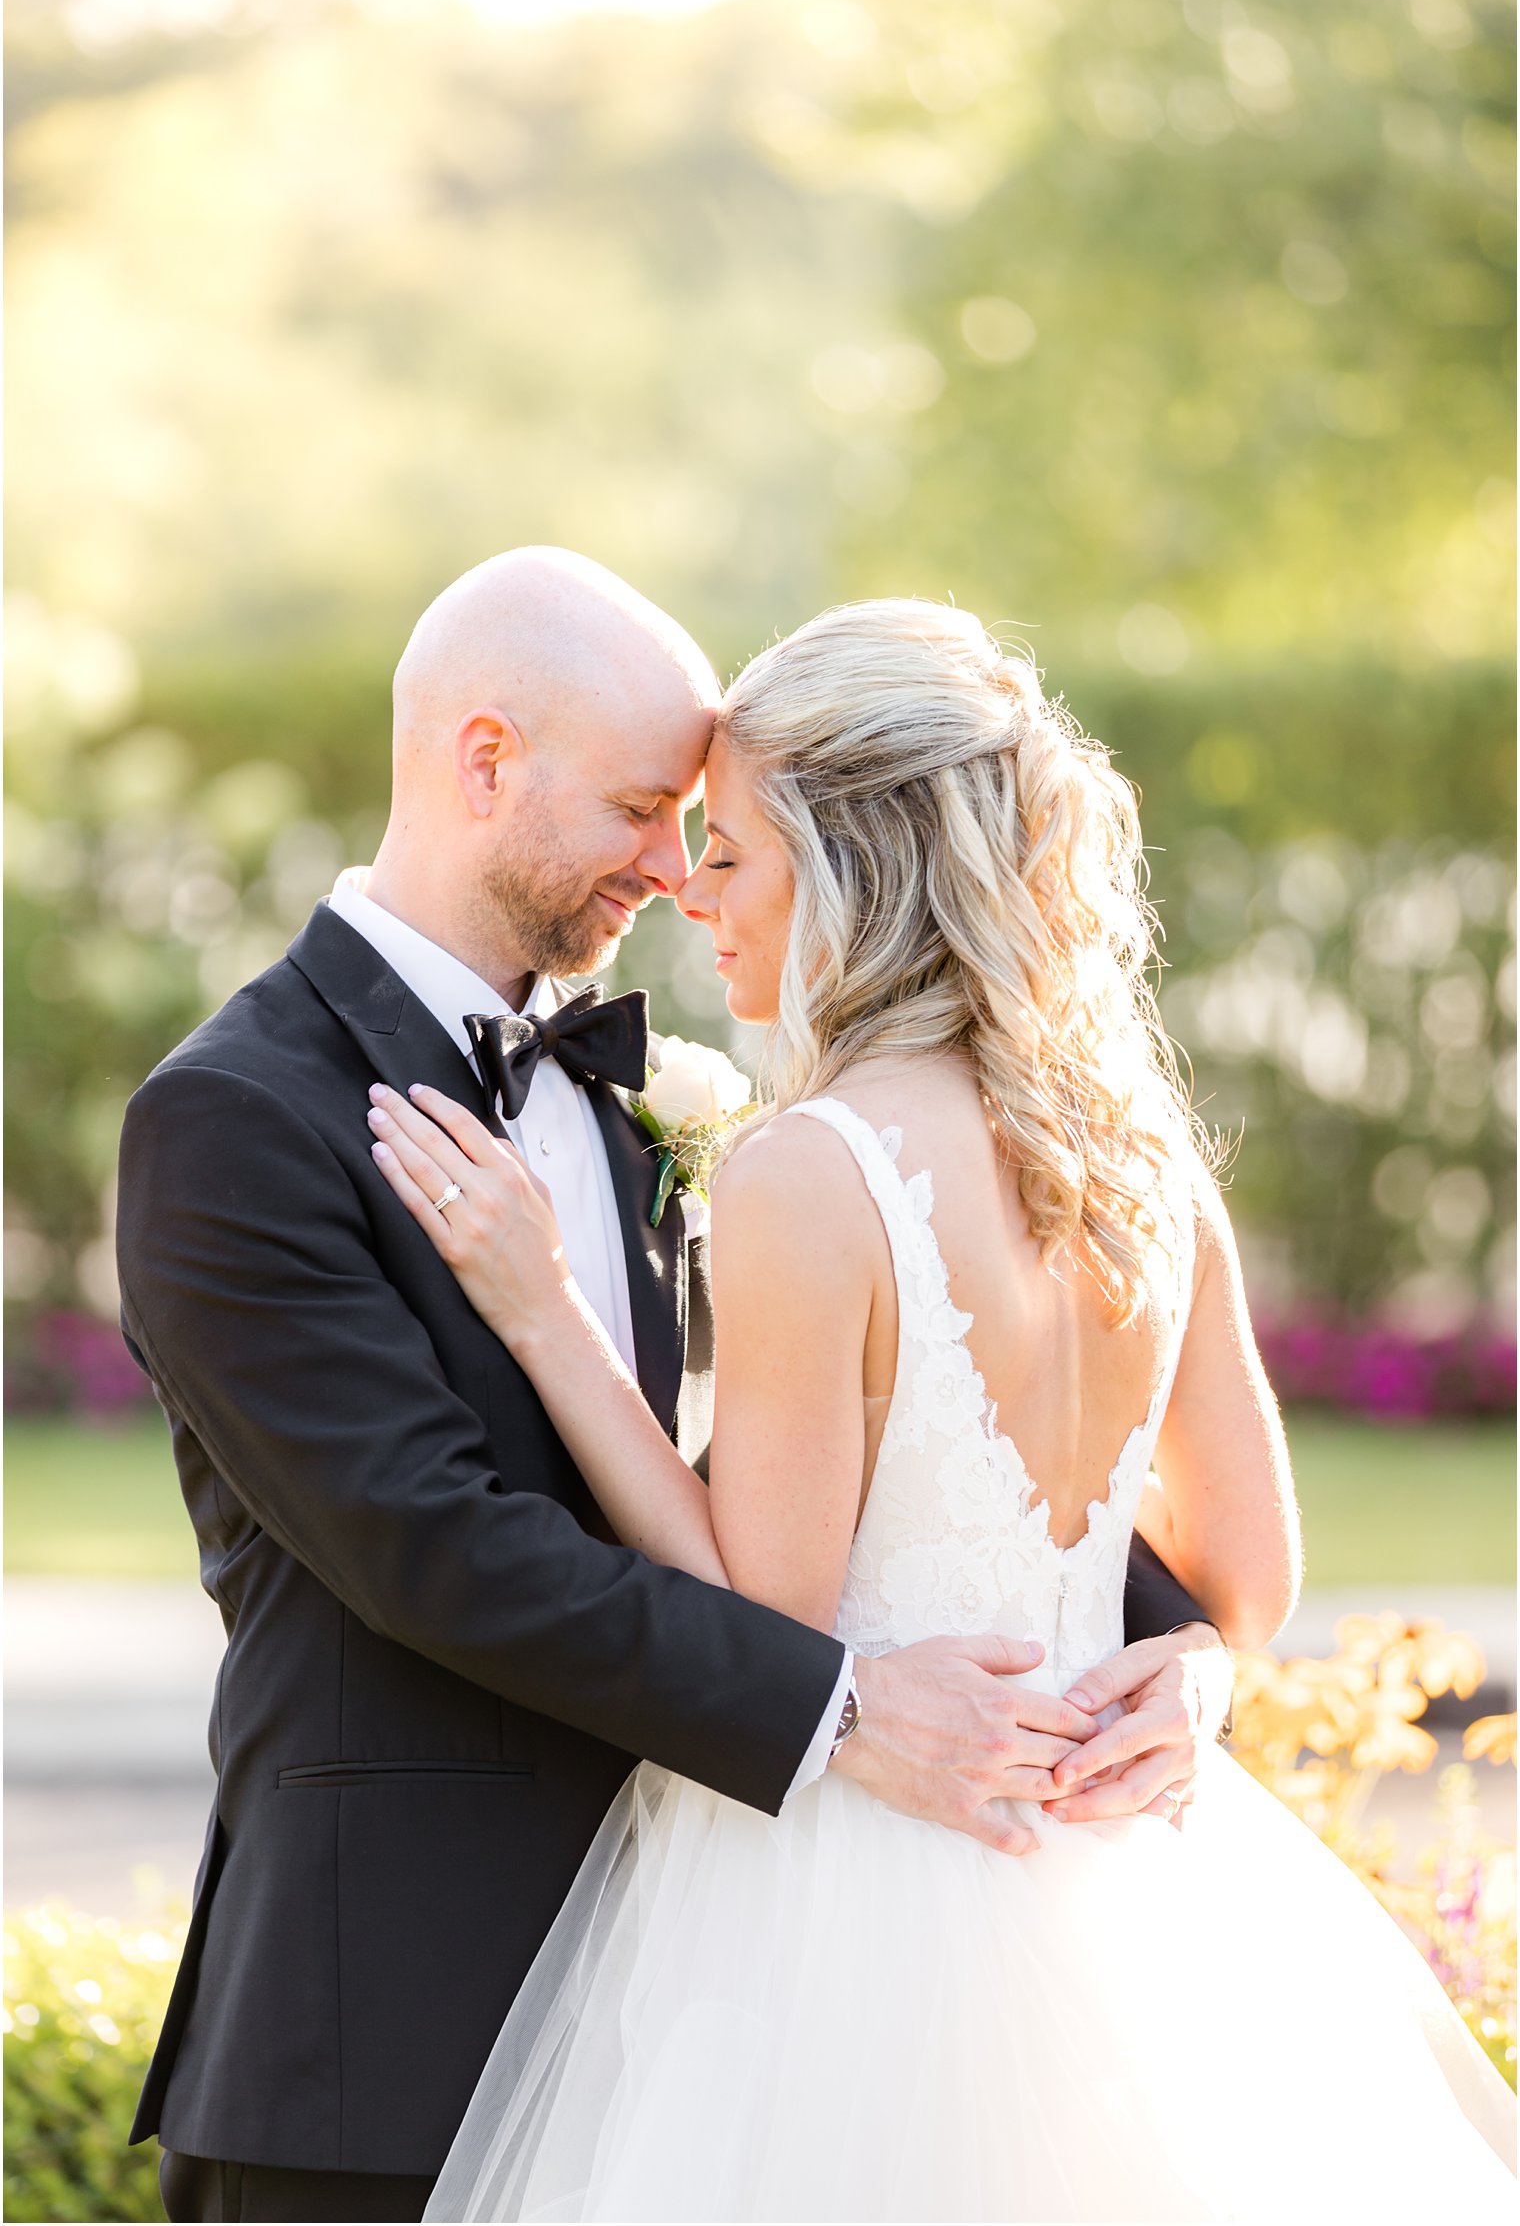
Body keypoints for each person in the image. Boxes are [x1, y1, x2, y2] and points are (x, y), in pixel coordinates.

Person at [115, 552, 1231, 2226]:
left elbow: (906, 1451)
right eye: (647, 805)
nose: (673, 861)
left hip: (709, 2005)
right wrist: (845, 1706)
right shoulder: (237, 1116)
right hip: (396, 2030)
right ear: (485, 761)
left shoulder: (674, 1101)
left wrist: (1161, 1641)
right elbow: (435, 1545)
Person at [369, 596, 1516, 2223]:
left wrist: (547, 1313)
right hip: (1123, 1882)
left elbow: (773, 1603)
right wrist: (1188, 1672)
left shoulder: (813, 1169)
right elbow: (1247, 1585)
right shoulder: (1145, 1168)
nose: (696, 891)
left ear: (852, 867)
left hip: (846, 1881)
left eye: (739, 851)